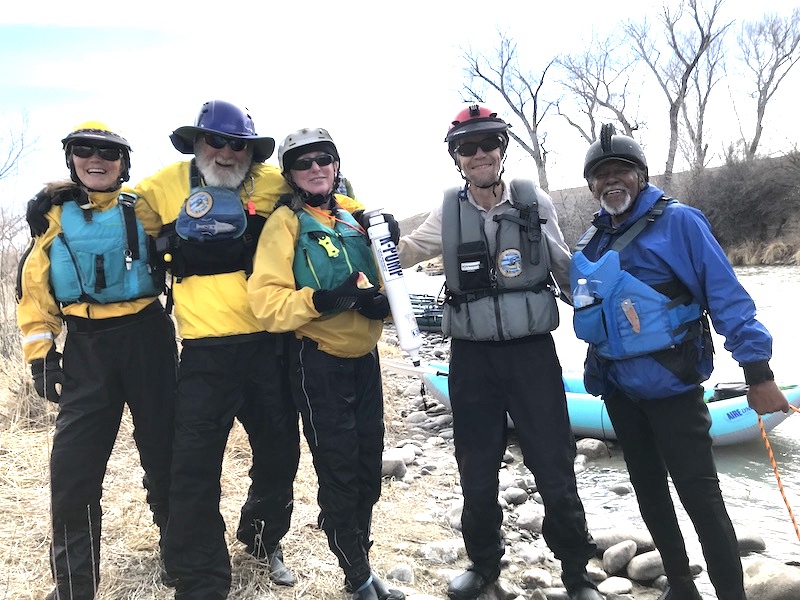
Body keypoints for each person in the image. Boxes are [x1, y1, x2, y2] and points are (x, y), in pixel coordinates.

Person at [571, 124, 790, 600]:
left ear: (641, 176)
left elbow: (729, 299)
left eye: (622, 172)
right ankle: (681, 587)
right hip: (620, 391)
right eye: (601, 175)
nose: (612, 182)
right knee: (649, 493)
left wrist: (758, 373)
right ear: (591, 185)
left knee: (702, 499)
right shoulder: (592, 239)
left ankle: (731, 593)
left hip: (673, 389)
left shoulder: (682, 223)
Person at [396, 104, 603, 600]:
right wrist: (365, 235)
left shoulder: (536, 202)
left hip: (533, 355)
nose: (479, 154)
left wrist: (606, 316)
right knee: (477, 465)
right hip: (472, 359)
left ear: (502, 148)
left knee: (554, 463)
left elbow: (564, 267)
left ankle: (576, 572)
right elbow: (401, 253)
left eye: (488, 143)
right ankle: (484, 564)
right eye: (468, 147)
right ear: (457, 157)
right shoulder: (447, 210)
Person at [16, 121, 178, 600]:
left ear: (124, 164)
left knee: (166, 454)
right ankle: (74, 587)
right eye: (84, 150)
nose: (97, 158)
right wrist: (40, 354)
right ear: (72, 161)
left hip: (148, 340)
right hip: (86, 347)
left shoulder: (145, 210)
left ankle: (180, 556)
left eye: (109, 152)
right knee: (72, 471)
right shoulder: (53, 218)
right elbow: (35, 294)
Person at [247, 127, 404, 600]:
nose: (316, 169)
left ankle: (363, 561)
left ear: (337, 165)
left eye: (324, 160)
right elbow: (266, 302)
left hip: (366, 358)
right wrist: (324, 300)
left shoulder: (355, 218)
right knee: (338, 469)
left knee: (368, 466)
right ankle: (355, 576)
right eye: (303, 163)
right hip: (317, 361)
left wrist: (381, 300)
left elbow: (387, 271)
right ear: (291, 175)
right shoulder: (285, 223)